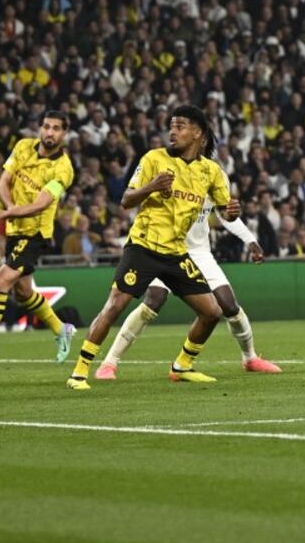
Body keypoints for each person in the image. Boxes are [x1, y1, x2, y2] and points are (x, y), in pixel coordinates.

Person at [66, 106, 239, 389]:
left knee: (211, 312)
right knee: (115, 305)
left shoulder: (211, 172)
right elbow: (126, 200)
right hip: (143, 247)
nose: (173, 131)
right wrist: (152, 187)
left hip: (176, 253)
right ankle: (79, 372)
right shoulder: (153, 159)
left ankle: (182, 366)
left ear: (199, 133)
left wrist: (233, 211)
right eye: (171, 125)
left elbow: (225, 212)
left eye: (181, 126)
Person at [95, 131, 281, 379]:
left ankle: (250, 358)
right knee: (154, 299)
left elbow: (225, 214)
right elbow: (136, 201)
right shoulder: (164, 166)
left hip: (199, 252)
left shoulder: (213, 173)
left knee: (228, 305)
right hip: (164, 248)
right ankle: (109, 363)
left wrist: (251, 240)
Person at [0, 111, 75, 365]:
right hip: (15, 229)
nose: (50, 132)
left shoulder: (63, 169)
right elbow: (4, 181)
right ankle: (61, 329)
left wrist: (6, 212)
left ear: (64, 134)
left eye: (56, 128)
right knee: (24, 292)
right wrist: (10, 210)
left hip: (36, 233)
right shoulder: (23, 146)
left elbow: (41, 204)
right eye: (46, 126)